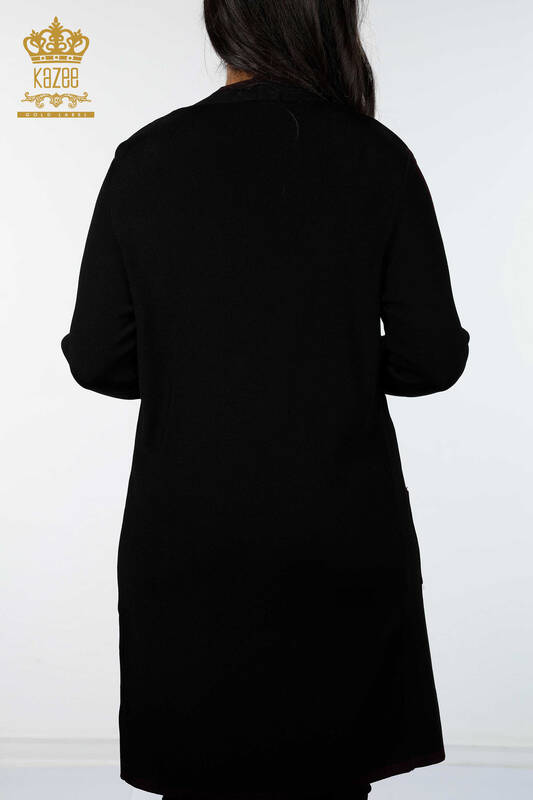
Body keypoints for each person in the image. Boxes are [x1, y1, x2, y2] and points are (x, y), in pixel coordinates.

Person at [60, 1, 470, 798]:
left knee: (199, 775)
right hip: (340, 536)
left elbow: (97, 357)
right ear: (328, 21)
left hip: (188, 538)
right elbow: (432, 357)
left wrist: (199, 366)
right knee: (331, 778)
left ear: (224, 21)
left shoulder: (146, 159)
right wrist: (328, 358)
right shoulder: (375, 156)